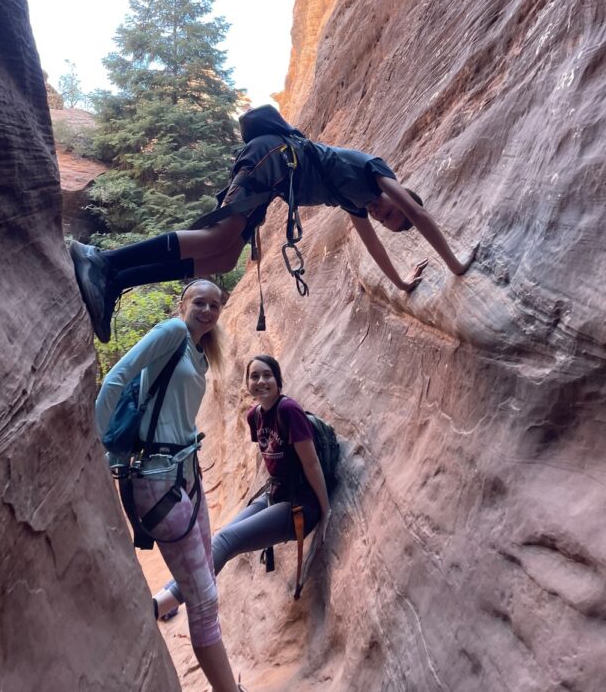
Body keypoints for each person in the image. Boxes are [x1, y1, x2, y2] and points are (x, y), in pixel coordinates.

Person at [71, 104, 476, 342]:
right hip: (273, 157)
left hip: (274, 183)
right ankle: (105, 261)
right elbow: (419, 215)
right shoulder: (374, 170)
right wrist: (456, 266)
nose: (381, 215)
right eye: (390, 210)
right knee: (221, 234)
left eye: (386, 220)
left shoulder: (359, 202)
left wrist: (402, 282)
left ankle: (116, 281)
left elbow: (373, 246)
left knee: (225, 258)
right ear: (397, 193)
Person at [95, 279, 246, 692]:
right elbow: (117, 377)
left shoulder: (199, 351)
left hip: (186, 475)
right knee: (205, 602)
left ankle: (162, 608)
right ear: (183, 303)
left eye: (215, 305)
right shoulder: (173, 333)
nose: (208, 311)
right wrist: (97, 448)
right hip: (158, 482)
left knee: (205, 587)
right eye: (200, 302)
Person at [153, 353, 330, 620]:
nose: (261, 381)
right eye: (254, 376)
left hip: (301, 505)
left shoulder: (288, 410)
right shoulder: (254, 416)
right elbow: (269, 457)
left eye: (267, 375)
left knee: (226, 541)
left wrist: (325, 511)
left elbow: (312, 463)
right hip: (276, 495)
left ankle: (159, 605)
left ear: (278, 380)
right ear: (247, 383)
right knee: (219, 538)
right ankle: (172, 595)